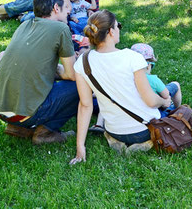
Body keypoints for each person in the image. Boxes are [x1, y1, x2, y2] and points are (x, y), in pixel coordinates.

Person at [69, 10, 171, 164]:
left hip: (115, 131)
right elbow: (150, 101)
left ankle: (120, 145)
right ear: (110, 32)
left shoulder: (83, 62)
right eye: (118, 26)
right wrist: (164, 101)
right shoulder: (132, 57)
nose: (118, 30)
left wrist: (80, 147)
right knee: (170, 96)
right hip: (144, 130)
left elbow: (85, 105)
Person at [0, 0, 80, 144]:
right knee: (80, 84)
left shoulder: (23, 26)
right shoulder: (61, 28)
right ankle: (45, 132)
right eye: (66, 7)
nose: (70, 10)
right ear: (56, 8)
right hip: (25, 113)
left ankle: (17, 127)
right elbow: (71, 74)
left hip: (0, 110)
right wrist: (60, 69)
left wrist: (53, 69)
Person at [130, 43, 182, 114]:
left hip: (137, 110)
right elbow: (166, 94)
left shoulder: (127, 76)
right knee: (176, 85)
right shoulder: (153, 79)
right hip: (157, 112)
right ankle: (177, 109)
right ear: (148, 65)